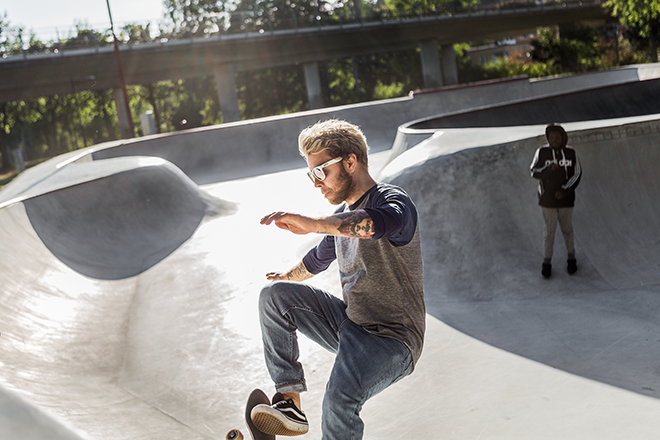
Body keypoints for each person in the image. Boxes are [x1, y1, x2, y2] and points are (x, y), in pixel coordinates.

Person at [252, 119, 425, 439]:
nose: (316, 183)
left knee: (338, 401)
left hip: (393, 342)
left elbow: (378, 224)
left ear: (350, 161)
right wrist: (285, 277)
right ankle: (290, 404)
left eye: (321, 171)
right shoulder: (340, 224)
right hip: (351, 326)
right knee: (273, 297)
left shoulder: (393, 201)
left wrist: (313, 223)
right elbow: (316, 260)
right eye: (311, 174)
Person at [530, 123, 582, 279]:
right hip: (547, 201)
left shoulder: (571, 153)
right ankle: (547, 263)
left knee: (567, 230)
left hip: (566, 200)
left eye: (557, 137)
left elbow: (577, 174)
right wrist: (547, 169)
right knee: (549, 233)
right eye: (551, 137)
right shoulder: (542, 152)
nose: (554, 140)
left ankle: (571, 258)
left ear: (563, 138)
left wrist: (565, 190)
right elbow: (533, 171)